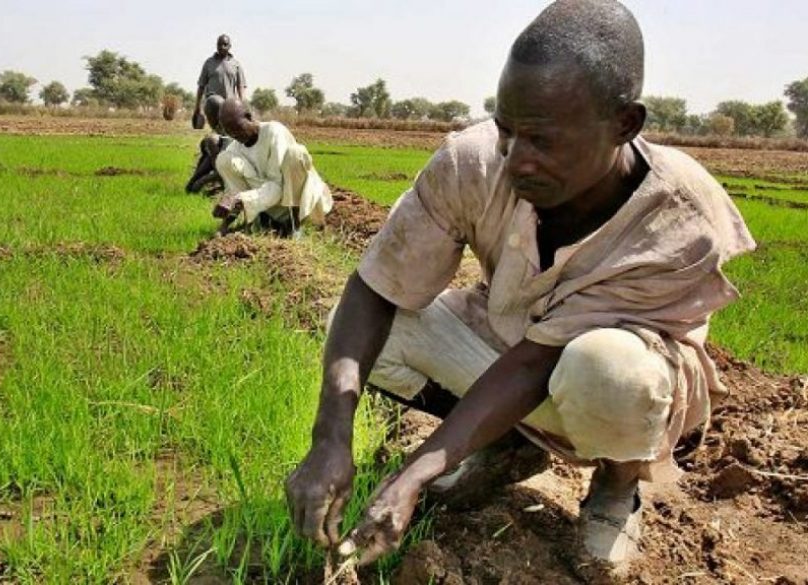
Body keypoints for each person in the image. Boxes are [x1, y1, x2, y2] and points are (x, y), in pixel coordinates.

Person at [284, 0, 755, 572]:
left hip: (619, 383)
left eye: (543, 140)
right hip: (511, 338)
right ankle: (505, 439)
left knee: (606, 369)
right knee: (357, 333)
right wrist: (330, 435)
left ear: (625, 124)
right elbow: (375, 290)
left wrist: (412, 476)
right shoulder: (473, 163)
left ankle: (615, 485)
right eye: (506, 131)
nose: (514, 160)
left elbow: (538, 364)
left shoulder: (680, 219)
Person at [212, 99, 333, 236]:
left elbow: (278, 187)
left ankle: (295, 227)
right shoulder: (235, 147)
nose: (235, 135)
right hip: (272, 206)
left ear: (249, 117)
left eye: (238, 128)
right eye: (229, 132)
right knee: (223, 159)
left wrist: (242, 199)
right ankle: (258, 221)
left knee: (295, 153)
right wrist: (226, 220)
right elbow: (236, 190)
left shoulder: (274, 132)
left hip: (302, 205)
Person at [193, 35, 246, 131]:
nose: (222, 47)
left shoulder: (236, 65)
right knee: (215, 101)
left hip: (230, 107)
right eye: (219, 44)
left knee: (226, 135)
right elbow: (201, 86)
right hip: (212, 105)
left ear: (230, 46)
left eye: (225, 45)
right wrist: (197, 108)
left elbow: (240, 86)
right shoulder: (209, 63)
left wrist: (242, 105)